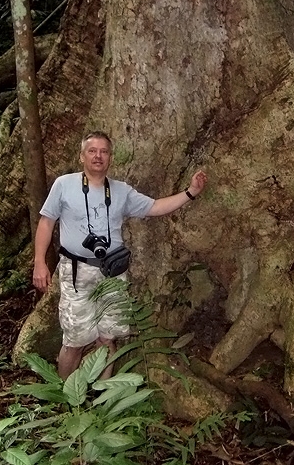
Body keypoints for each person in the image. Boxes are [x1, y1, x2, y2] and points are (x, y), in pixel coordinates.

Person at [32, 131, 207, 379]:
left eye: (104, 151)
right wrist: (40, 262)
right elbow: (46, 223)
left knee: (107, 338)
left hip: (112, 272)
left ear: (110, 158)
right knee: (74, 341)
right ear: (82, 156)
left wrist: (190, 192)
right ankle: (65, 400)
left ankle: (104, 402)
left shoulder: (120, 191)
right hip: (76, 271)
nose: (98, 156)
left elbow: (155, 207)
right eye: (92, 151)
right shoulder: (64, 184)